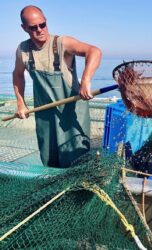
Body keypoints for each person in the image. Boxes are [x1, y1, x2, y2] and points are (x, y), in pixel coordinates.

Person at [13, 5, 102, 168]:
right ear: (24, 28)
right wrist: (21, 103)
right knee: (49, 162)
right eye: (33, 27)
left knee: (77, 163)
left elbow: (94, 51)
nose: (40, 30)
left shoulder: (62, 43)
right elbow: (18, 75)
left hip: (71, 116)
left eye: (42, 24)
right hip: (45, 116)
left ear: (46, 21)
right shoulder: (23, 50)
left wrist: (86, 80)